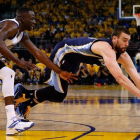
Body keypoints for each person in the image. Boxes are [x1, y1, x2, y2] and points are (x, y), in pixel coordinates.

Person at [15, 26, 140, 126]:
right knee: (59, 93)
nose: (127, 44)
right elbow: (120, 78)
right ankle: (23, 96)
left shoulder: (124, 56)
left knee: (58, 95)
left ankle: (24, 102)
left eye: (128, 40)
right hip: (64, 51)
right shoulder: (106, 48)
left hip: (74, 60)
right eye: (124, 40)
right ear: (114, 39)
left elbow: (136, 77)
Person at [0, 7, 76, 135]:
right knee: (9, 74)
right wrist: (18, 61)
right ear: (23, 19)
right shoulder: (12, 25)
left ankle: (11, 124)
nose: (35, 22)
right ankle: (12, 122)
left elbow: (38, 54)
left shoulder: (22, 35)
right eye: (32, 19)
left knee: (8, 74)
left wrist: (59, 71)